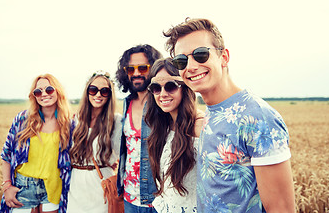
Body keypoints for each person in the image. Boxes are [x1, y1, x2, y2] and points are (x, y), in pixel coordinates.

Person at [163, 18, 295, 212]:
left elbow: (281, 208)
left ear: (224, 57)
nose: (190, 67)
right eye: (181, 61)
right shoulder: (212, 111)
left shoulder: (258, 118)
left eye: (200, 54)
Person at [0, 74, 74, 213]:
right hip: (23, 188)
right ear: (34, 96)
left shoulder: (68, 123)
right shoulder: (23, 120)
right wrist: (7, 186)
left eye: (49, 89)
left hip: (53, 188)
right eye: (38, 91)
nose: (44, 94)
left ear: (58, 91)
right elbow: (6, 154)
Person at [144, 58, 204, 212]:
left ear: (185, 88)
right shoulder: (162, 127)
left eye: (170, 86)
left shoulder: (201, 126)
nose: (163, 94)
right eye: (156, 88)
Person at [115, 44, 162, 212]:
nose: (136, 73)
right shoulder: (126, 102)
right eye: (130, 69)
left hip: (156, 199)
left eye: (143, 68)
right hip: (129, 196)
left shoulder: (162, 102)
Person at [67, 71, 122, 212]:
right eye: (93, 90)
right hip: (75, 187)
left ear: (110, 95)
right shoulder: (76, 119)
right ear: (87, 92)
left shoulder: (115, 121)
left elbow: (125, 155)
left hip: (101, 185)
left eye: (104, 91)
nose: (98, 95)